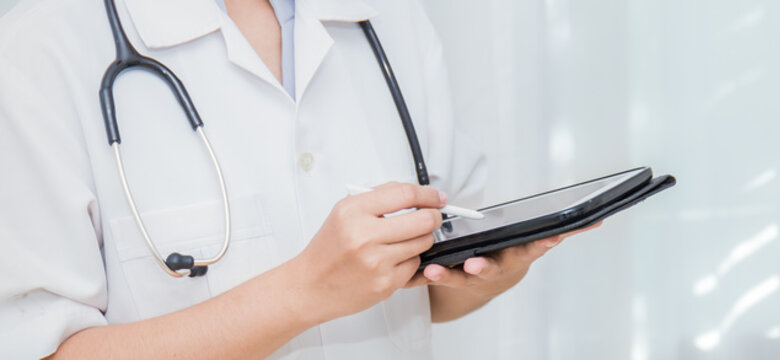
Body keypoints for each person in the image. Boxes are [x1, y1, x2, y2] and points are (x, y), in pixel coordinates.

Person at [0, 0, 597, 358]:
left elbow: (429, 294)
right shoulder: (40, 48)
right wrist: (302, 292)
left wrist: (492, 269)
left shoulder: (387, 19)